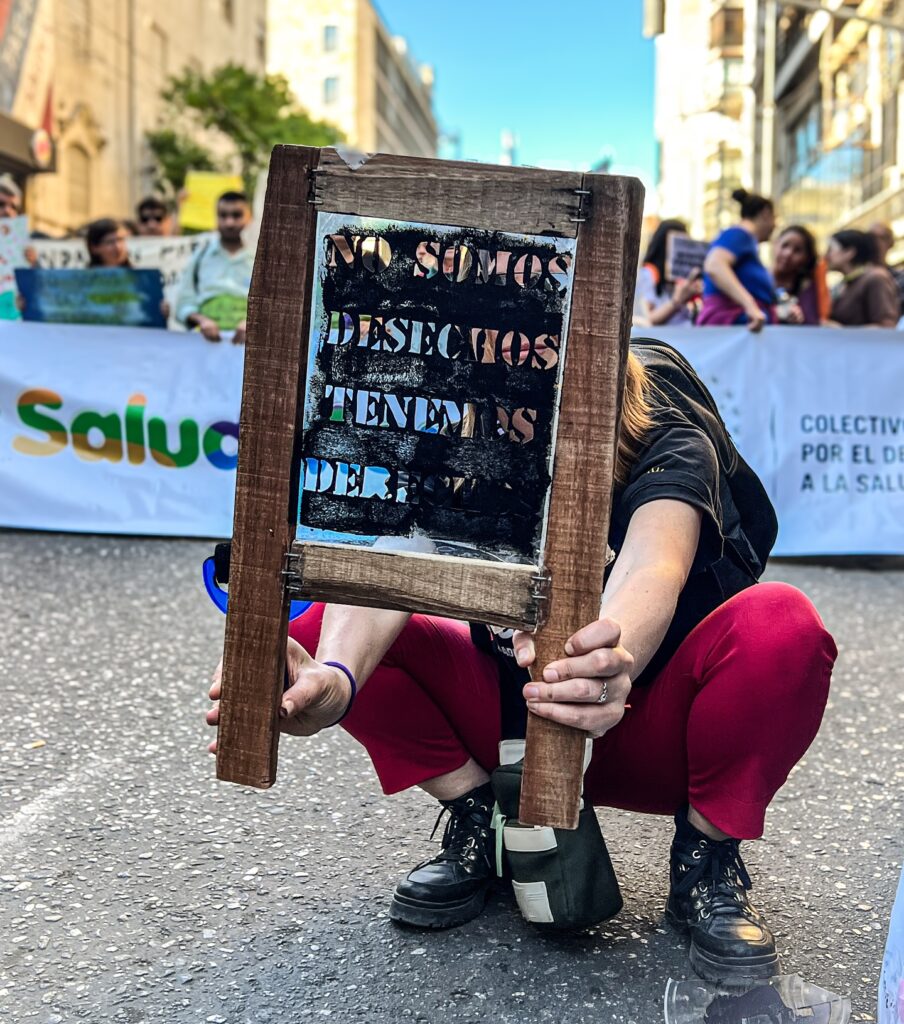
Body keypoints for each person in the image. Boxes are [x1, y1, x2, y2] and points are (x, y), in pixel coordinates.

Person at [207, 339, 837, 984]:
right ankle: (485, 818)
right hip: (520, 726)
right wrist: (335, 679)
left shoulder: (669, 439)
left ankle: (705, 857)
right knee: (319, 627)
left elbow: (657, 562)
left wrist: (608, 659)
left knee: (781, 622)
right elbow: (393, 557)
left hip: (651, 727)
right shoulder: (460, 441)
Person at [174, 190, 254, 344]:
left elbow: (273, 306)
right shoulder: (201, 256)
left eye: (236, 215)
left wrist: (252, 324)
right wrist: (202, 320)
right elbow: (183, 304)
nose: (229, 222)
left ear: (249, 217)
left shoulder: (261, 258)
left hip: (250, 347)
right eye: (223, 215)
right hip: (205, 346)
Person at [698, 189, 777, 331]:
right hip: (732, 324)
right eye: (774, 218)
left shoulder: (745, 241)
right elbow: (714, 265)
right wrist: (751, 307)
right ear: (766, 213)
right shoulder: (739, 235)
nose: (775, 225)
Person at [634, 219, 703, 326]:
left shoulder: (684, 275)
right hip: (664, 339)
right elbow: (648, 318)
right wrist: (677, 301)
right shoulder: (649, 273)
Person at [826, 230, 899, 328]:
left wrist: (843, 331)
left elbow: (886, 326)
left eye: (831, 249)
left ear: (849, 252)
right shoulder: (845, 283)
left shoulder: (876, 279)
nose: (827, 256)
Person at [770, 225, 827, 326]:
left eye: (797, 250)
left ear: (807, 258)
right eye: (785, 245)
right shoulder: (759, 280)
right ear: (775, 245)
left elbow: (812, 322)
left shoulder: (807, 287)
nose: (788, 254)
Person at [868, 222, 904, 319]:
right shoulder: (854, 281)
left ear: (890, 243)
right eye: (871, 238)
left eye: (881, 238)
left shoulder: (900, 278)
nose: (875, 242)